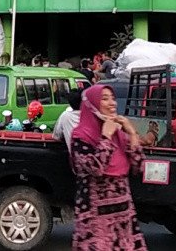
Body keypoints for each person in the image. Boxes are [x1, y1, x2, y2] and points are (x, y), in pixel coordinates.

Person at [70, 85, 147, 251]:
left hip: (124, 215)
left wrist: (132, 133)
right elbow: (94, 168)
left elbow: (139, 166)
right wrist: (105, 137)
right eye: (104, 99)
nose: (112, 103)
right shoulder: (81, 136)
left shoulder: (120, 135)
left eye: (113, 98)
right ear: (92, 105)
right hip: (95, 217)